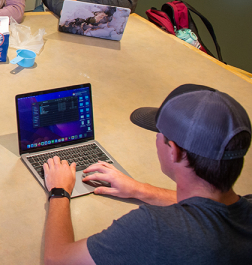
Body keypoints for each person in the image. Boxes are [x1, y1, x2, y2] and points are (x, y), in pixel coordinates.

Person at [42, 84, 252, 265]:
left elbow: (57, 259)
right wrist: (140, 189)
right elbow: (213, 208)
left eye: (159, 134)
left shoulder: (156, 228)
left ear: (174, 151)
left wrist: (59, 191)